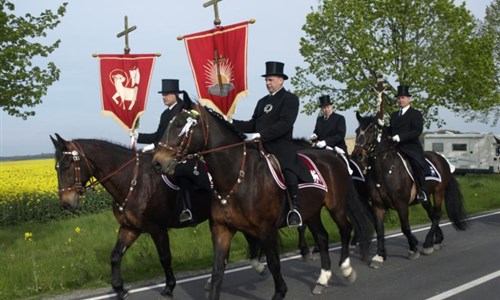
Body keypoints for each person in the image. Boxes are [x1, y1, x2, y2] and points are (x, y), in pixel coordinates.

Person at [233, 61, 309, 227]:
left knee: (288, 168)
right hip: (260, 145)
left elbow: (285, 124)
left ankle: (294, 209)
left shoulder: (290, 99)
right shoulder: (262, 102)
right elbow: (252, 124)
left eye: (271, 80)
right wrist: (230, 122)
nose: (268, 83)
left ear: (281, 80)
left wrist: (261, 135)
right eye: (266, 80)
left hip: (280, 144)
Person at [134, 79, 211, 223]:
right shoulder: (165, 114)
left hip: (182, 153)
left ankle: (188, 210)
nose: (164, 97)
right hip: (166, 151)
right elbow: (159, 136)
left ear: (176, 94)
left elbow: (180, 136)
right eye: (163, 94)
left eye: (167, 94)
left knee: (181, 172)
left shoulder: (183, 110)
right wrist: (139, 136)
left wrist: (154, 145)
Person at [379, 85, 429, 203]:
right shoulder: (394, 115)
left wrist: (400, 137)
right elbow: (391, 131)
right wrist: (383, 126)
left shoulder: (415, 114)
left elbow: (417, 131)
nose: (400, 100)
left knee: (416, 165)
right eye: (399, 98)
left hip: (411, 147)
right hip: (396, 147)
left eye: (403, 98)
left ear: (409, 99)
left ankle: (422, 191)